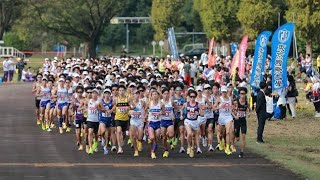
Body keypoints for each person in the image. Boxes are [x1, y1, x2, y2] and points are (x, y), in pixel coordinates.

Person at [233, 87, 249, 158]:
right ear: (239, 94)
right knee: (237, 138)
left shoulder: (246, 102)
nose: (242, 95)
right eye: (241, 94)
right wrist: (235, 116)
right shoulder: (236, 102)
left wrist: (248, 114)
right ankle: (233, 143)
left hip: (243, 121)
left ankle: (242, 152)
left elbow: (247, 110)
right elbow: (231, 110)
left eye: (244, 94)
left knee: (243, 136)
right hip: (237, 121)